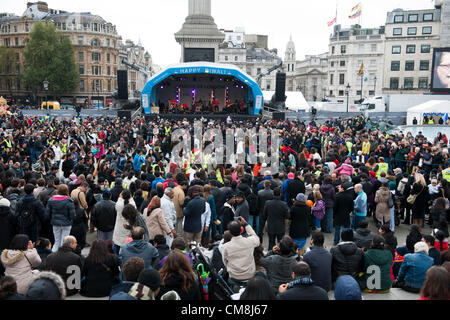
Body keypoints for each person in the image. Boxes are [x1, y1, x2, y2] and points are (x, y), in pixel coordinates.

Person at [222, 217, 260, 289]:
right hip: (250, 275)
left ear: (230, 232)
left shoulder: (226, 247)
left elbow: (225, 261)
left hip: (234, 276)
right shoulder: (250, 241)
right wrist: (246, 224)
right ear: (241, 231)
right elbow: (256, 238)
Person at [45, 184, 76, 253]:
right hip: (66, 223)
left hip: (55, 223)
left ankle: (53, 256)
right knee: (64, 242)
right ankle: (63, 256)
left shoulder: (51, 200)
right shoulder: (69, 201)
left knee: (57, 241)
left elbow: (47, 213)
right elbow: (72, 215)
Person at [112, 190, 136, 255]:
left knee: (117, 244)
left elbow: (117, 205)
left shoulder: (118, 204)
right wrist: (131, 198)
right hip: (128, 227)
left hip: (119, 227)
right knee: (128, 246)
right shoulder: (132, 204)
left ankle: (115, 259)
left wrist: (120, 198)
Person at [333, 182, 354, 246]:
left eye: (339, 187)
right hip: (346, 215)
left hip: (338, 215)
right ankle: (344, 241)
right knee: (345, 229)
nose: (338, 188)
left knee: (337, 229)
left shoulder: (337, 196)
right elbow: (352, 207)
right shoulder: (350, 196)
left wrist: (334, 214)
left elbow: (335, 207)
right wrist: (348, 211)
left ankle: (336, 241)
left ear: (342, 189)